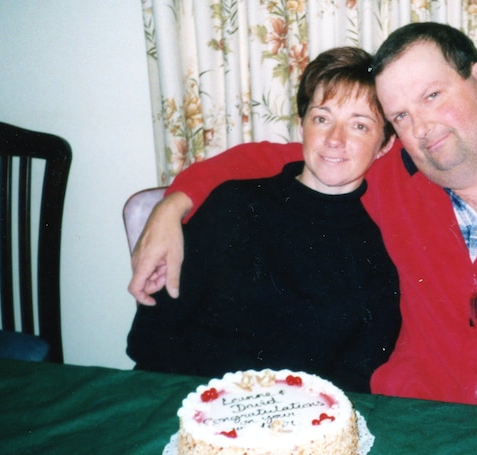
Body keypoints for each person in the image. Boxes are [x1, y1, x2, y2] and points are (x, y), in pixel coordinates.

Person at [129, 23, 477, 425]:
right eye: (402, 115)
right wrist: (174, 203)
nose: (422, 127)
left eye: (433, 95)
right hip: (414, 438)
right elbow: (296, 159)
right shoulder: (396, 180)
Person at [126, 47, 400, 394]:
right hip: (192, 407)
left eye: (359, 125)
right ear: (302, 125)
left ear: (385, 144)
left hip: (303, 430)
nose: (335, 139)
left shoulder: (378, 246)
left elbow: (358, 375)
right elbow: (150, 337)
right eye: (322, 118)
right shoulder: (234, 204)